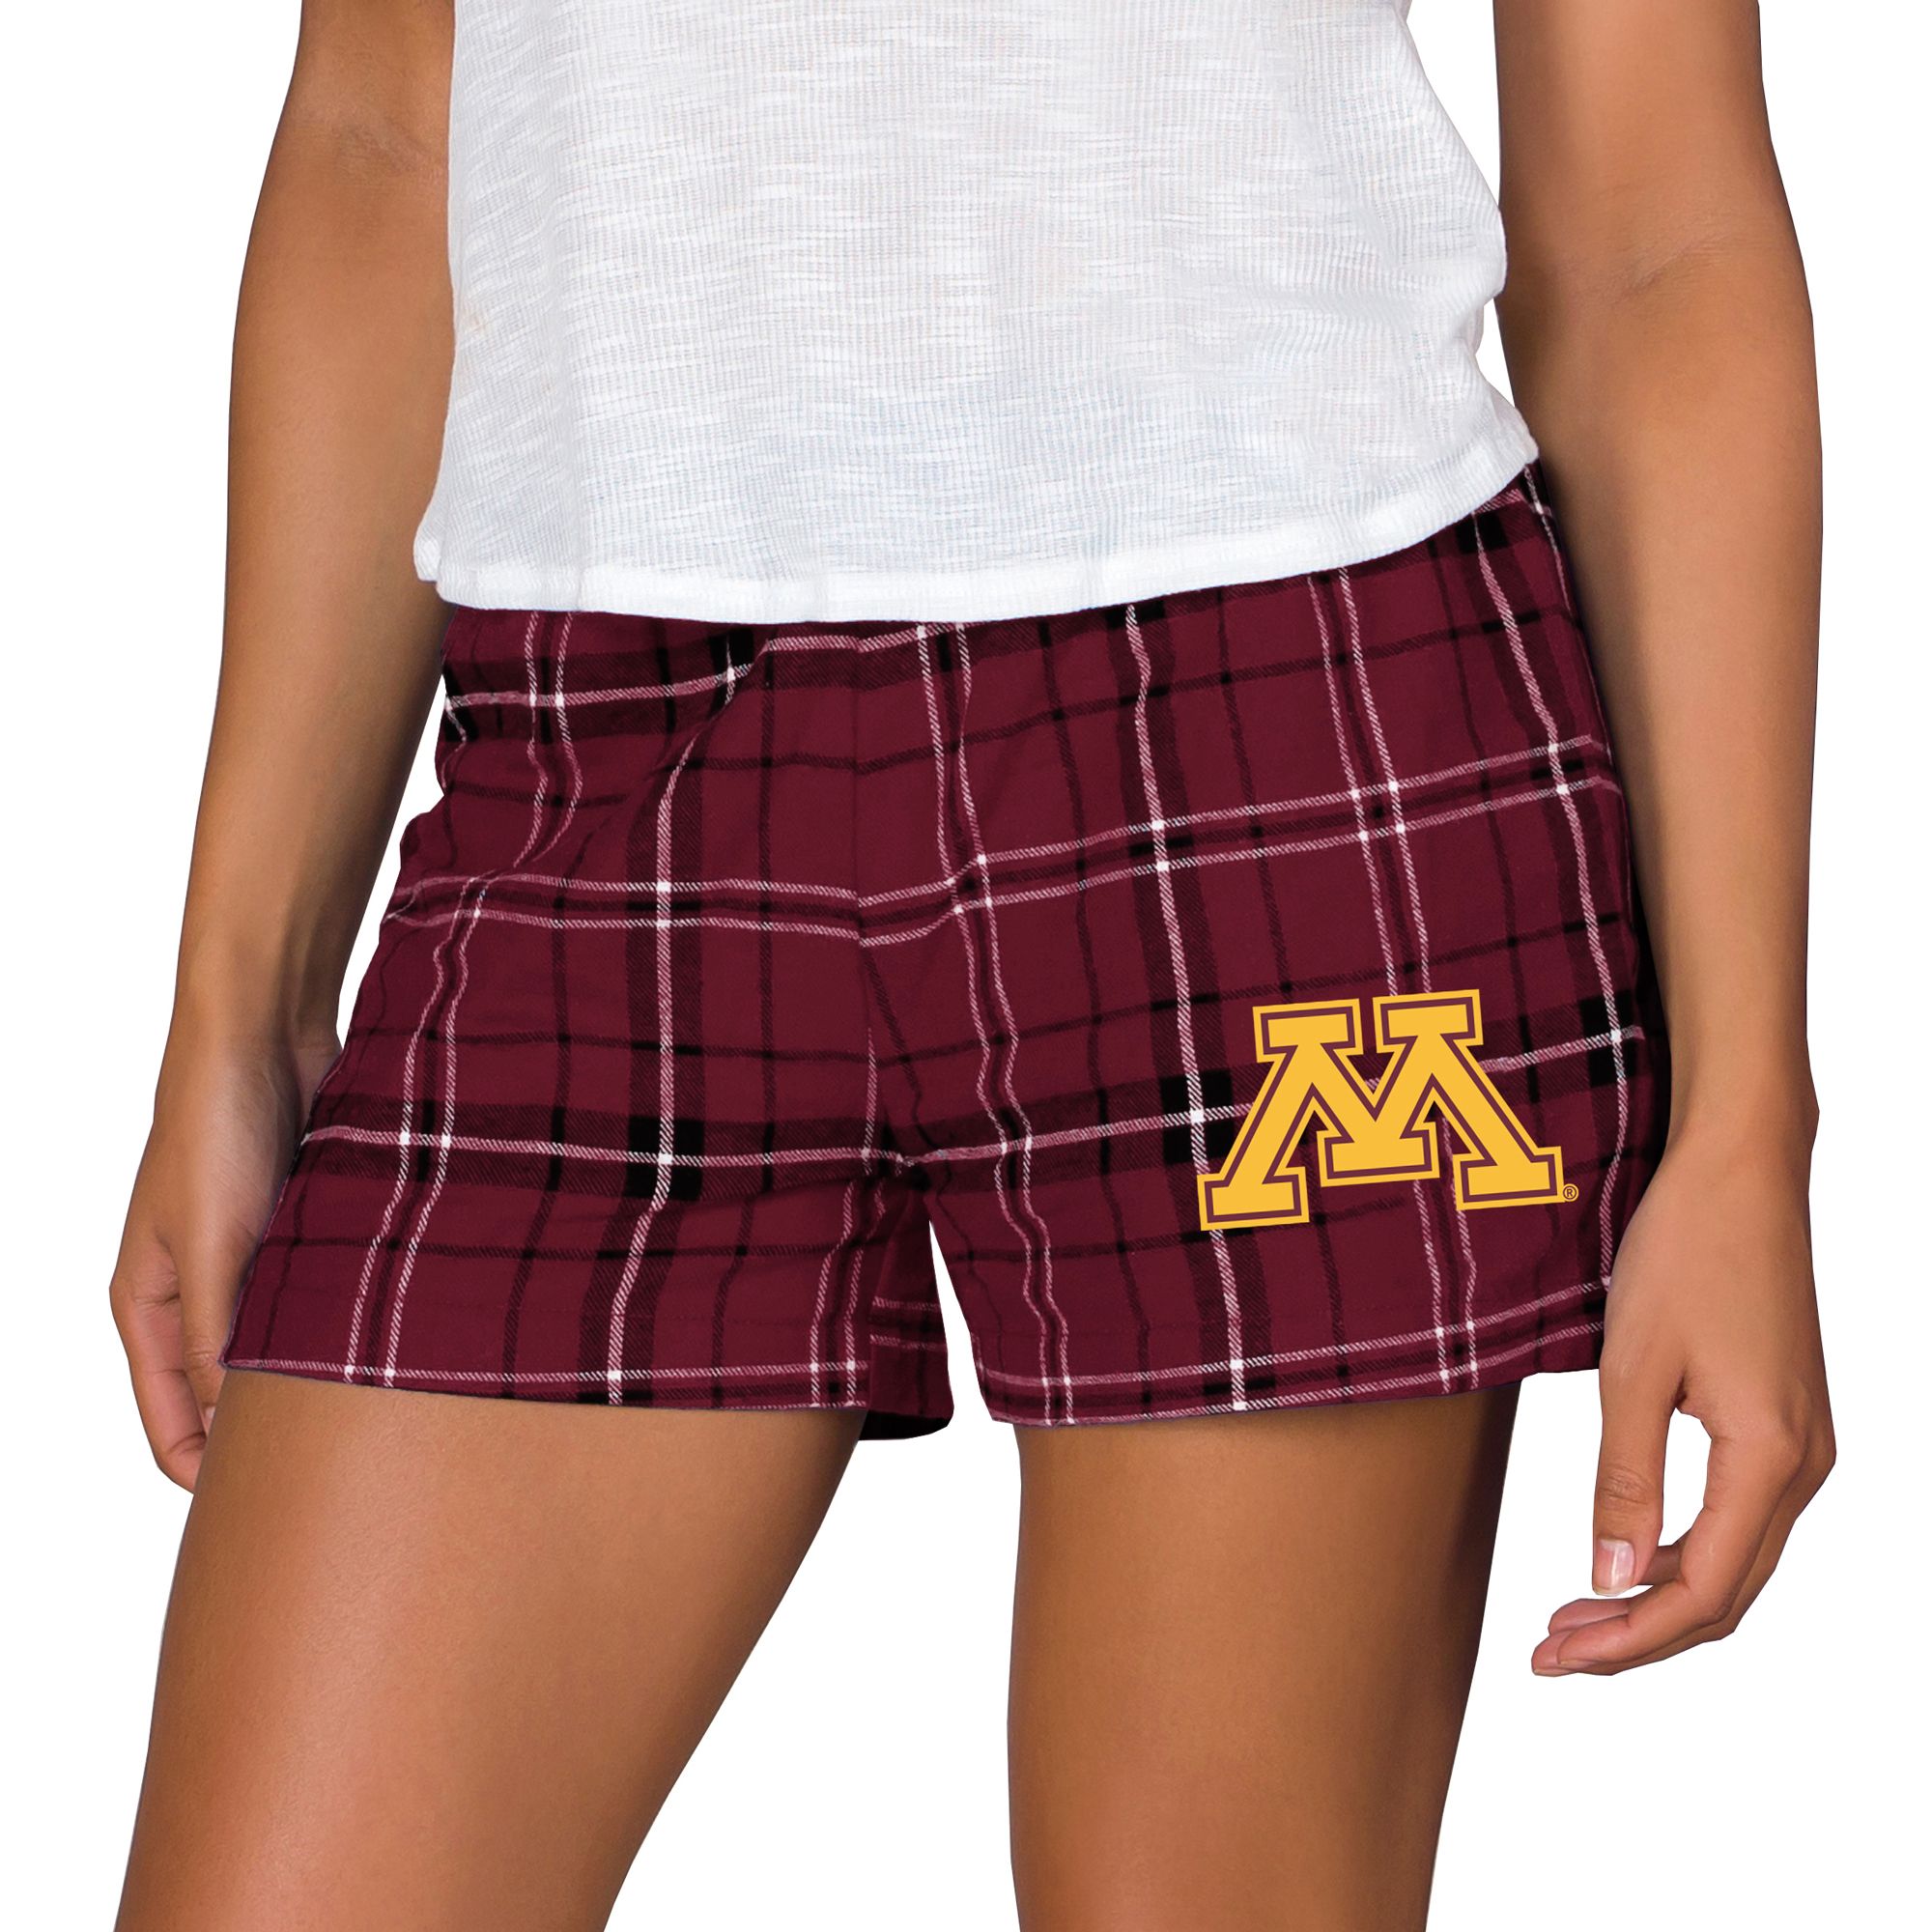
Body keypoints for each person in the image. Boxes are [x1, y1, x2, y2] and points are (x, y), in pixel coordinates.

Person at [109, 3, 1833, 1926]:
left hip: (1273, 740)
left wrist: (1746, 1117)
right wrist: (240, 1003)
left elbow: (1653, 228)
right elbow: (387, 129)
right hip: (595, 761)